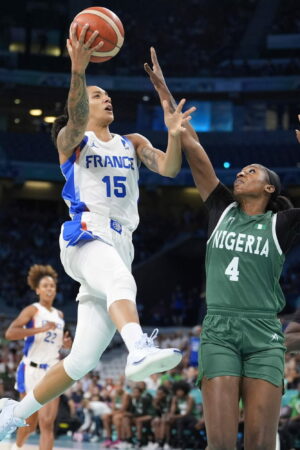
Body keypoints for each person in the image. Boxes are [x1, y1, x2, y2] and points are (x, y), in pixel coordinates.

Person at [0, 26, 195, 440]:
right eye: (96, 94)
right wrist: (78, 72)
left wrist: (173, 128)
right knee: (122, 281)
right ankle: (138, 346)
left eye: (107, 94)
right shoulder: (72, 140)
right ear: (81, 108)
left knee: (83, 359)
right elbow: (73, 116)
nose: (106, 97)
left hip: (119, 243)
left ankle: (13, 413)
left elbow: (170, 168)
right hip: (85, 236)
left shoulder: (133, 142)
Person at [144, 47, 300, 450]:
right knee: (220, 445)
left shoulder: (280, 223)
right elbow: (191, 145)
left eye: (253, 171)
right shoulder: (220, 208)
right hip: (219, 330)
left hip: (265, 331)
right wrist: (164, 92)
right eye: (242, 169)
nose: (243, 172)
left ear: (269, 188)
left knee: (261, 445)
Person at [5, 264, 72, 450]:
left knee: (47, 423)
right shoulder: (32, 310)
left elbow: (56, 344)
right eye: (45, 286)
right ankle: (17, 447)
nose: (50, 289)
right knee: (29, 422)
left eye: (52, 286)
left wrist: (66, 346)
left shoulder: (60, 315)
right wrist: (40, 329)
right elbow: (10, 333)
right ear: (37, 290)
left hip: (51, 370)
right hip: (30, 370)